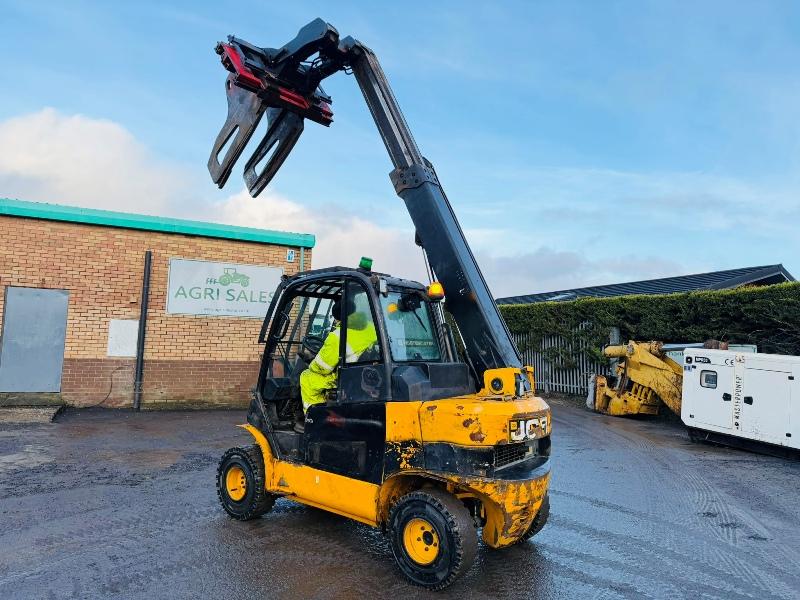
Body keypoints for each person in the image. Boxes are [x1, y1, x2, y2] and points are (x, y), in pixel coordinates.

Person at [297, 296, 377, 431]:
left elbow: (323, 368)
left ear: (338, 317)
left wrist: (311, 362)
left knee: (307, 378)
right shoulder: (370, 327)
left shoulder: (338, 336)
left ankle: (315, 420)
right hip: (364, 373)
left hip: (346, 377)